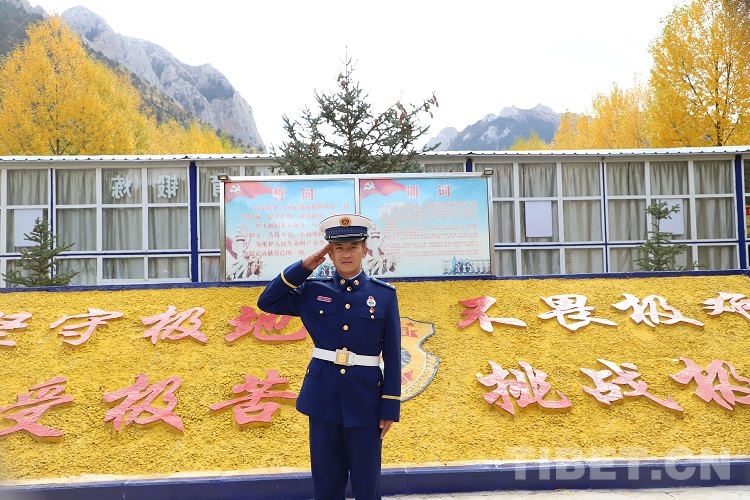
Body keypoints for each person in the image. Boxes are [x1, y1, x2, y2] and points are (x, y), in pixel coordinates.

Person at [257, 213, 401, 500]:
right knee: (326, 483)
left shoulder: (384, 295)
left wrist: (390, 407)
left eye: (353, 247)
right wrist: (303, 267)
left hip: (366, 400)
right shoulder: (312, 291)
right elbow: (267, 301)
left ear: (365, 250)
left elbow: (393, 354)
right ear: (329, 253)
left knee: (367, 484)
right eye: (338, 248)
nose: (346, 254)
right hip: (323, 397)